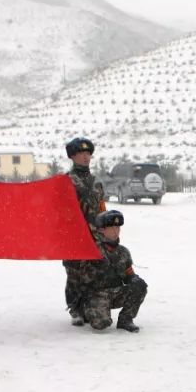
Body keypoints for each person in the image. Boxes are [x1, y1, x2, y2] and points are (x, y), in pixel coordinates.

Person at [77, 210, 147, 332]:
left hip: (115, 293)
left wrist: (134, 279)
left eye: (118, 227)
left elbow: (128, 274)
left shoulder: (123, 252)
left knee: (139, 286)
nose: (116, 231)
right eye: (112, 228)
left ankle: (125, 319)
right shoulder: (91, 250)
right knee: (101, 324)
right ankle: (85, 311)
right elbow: (82, 278)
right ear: (101, 230)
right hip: (95, 295)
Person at [63, 137, 106, 325]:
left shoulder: (97, 182)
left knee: (93, 272)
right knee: (74, 272)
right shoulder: (66, 181)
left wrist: (105, 229)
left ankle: (89, 307)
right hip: (73, 234)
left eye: (88, 153)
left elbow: (101, 207)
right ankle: (75, 309)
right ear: (72, 156)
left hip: (95, 234)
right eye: (81, 154)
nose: (86, 157)